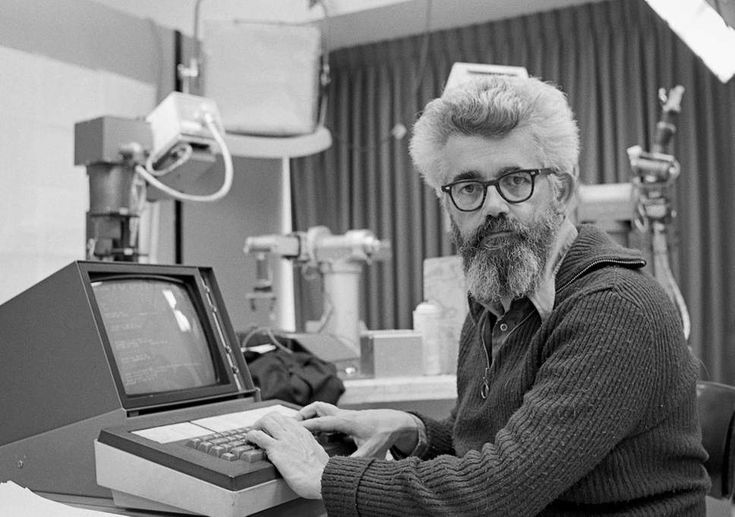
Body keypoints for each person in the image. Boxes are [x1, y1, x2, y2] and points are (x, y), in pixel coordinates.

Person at [245, 75, 710, 516]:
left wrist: (327, 474)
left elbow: (494, 496)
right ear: (447, 203)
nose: (493, 207)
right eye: (469, 187)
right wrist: (416, 430)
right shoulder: (493, 304)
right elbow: (497, 445)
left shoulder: (613, 307)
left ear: (561, 190)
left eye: (515, 180)